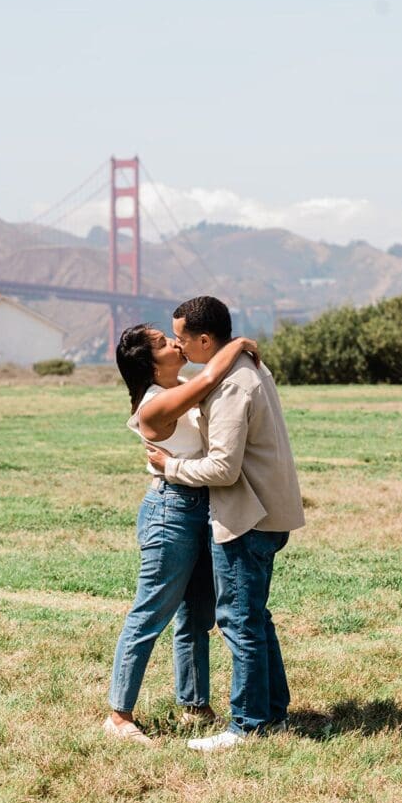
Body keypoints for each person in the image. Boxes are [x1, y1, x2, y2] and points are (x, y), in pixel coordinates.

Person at [147, 296, 305, 752]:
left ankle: (248, 725)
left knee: (237, 620)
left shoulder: (232, 385)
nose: (176, 346)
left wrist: (169, 467)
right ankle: (272, 712)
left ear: (202, 339)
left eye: (180, 338)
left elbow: (223, 470)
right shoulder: (246, 367)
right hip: (268, 512)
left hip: (247, 516)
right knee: (255, 616)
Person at [104, 324, 261, 745]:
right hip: (171, 510)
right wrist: (237, 344)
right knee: (150, 612)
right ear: (149, 364)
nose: (175, 343)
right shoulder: (156, 404)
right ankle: (119, 715)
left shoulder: (181, 386)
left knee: (196, 613)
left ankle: (193, 704)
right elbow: (212, 377)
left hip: (202, 506)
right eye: (161, 343)